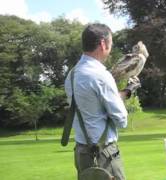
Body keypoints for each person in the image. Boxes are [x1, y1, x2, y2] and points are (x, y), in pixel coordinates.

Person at [65, 23, 141, 180]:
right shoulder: (101, 75)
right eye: (111, 43)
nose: (111, 47)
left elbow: (93, 106)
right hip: (104, 155)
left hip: (82, 154)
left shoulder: (72, 75)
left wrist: (126, 92)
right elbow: (121, 120)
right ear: (102, 43)